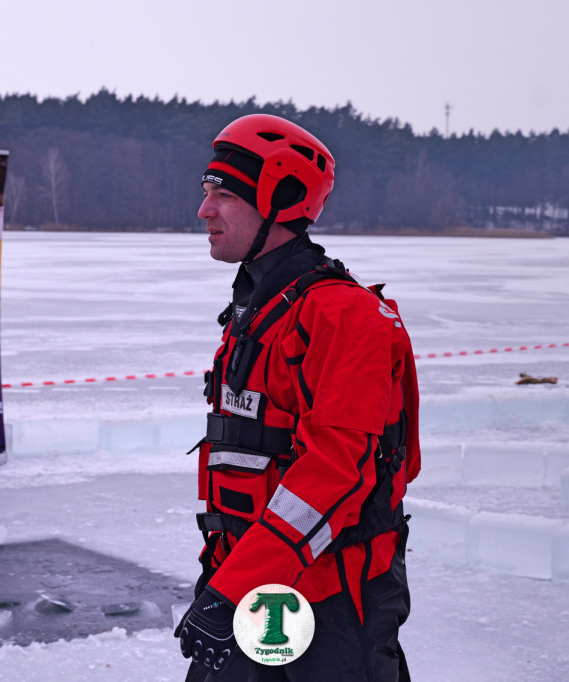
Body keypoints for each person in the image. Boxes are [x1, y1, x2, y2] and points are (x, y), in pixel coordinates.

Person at [175, 114, 421, 681]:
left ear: (281, 201)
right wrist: (223, 579)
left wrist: (232, 591)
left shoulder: (342, 315)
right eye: (205, 191)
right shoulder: (259, 308)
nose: (204, 210)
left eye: (226, 194)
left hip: (327, 599)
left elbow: (335, 473)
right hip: (248, 578)